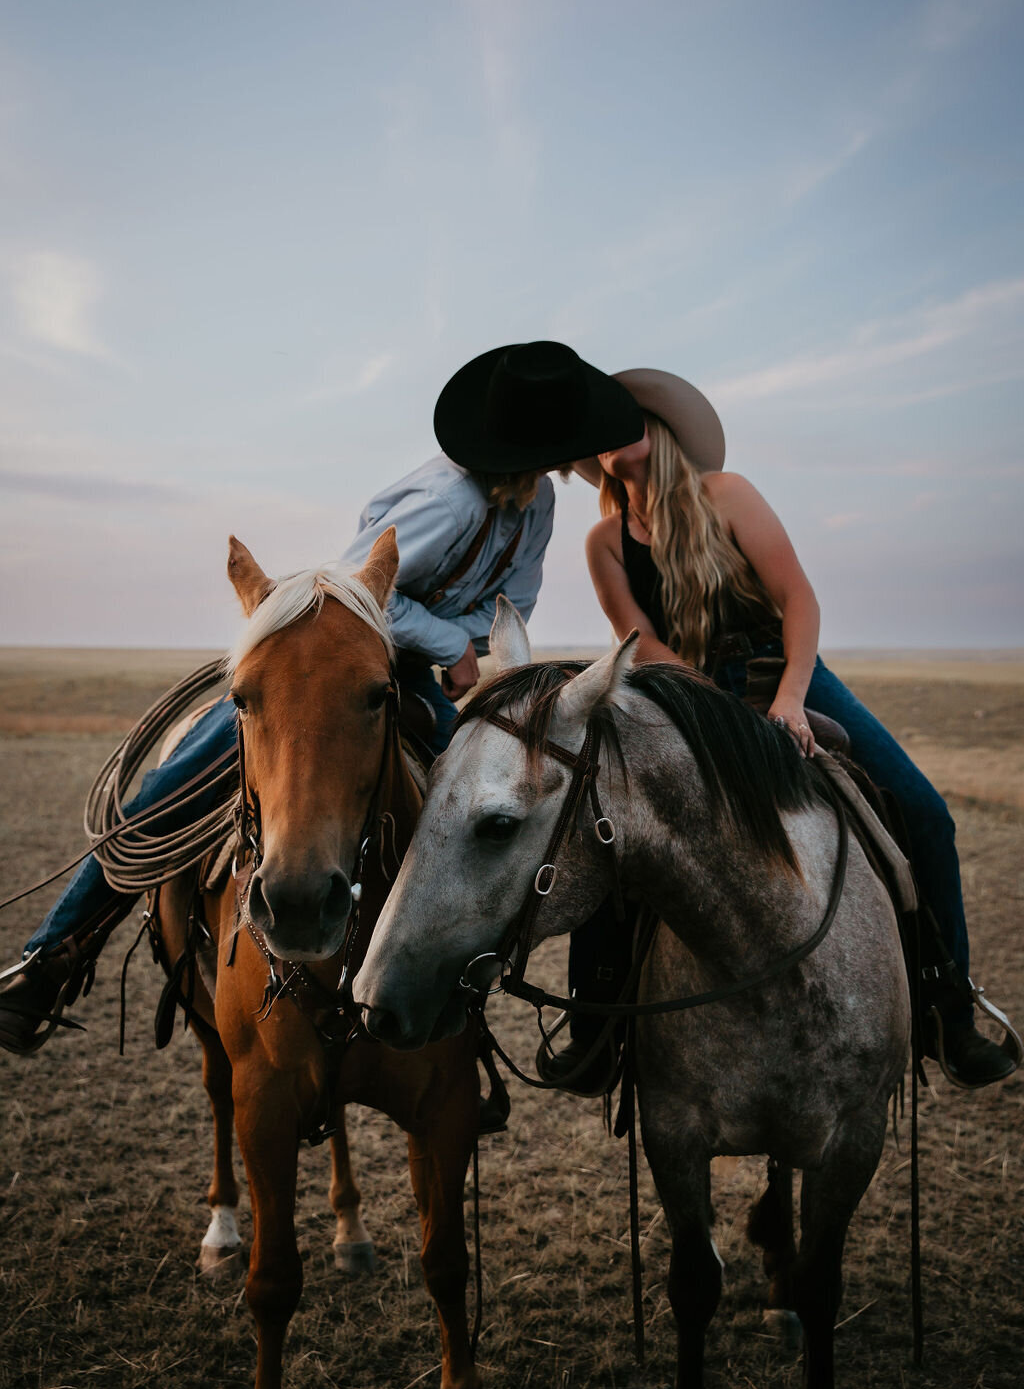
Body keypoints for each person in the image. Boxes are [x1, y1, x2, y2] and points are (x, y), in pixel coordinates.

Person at [0, 341, 645, 1057]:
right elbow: (352, 593)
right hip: (332, 665)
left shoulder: (539, 503)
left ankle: (453, 1004)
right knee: (174, 788)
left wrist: (459, 646)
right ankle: (53, 956)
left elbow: (512, 600)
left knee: (469, 815)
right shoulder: (445, 499)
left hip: (414, 685)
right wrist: (452, 645)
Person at [540, 366, 1016, 1092]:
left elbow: (798, 599)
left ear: (660, 428)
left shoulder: (725, 495)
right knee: (611, 824)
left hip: (783, 669)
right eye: (599, 434)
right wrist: (713, 715)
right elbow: (646, 649)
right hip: (688, 695)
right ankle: (596, 1030)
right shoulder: (604, 541)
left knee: (924, 814)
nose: (613, 439)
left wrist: (792, 699)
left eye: (627, 419)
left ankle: (948, 1014)